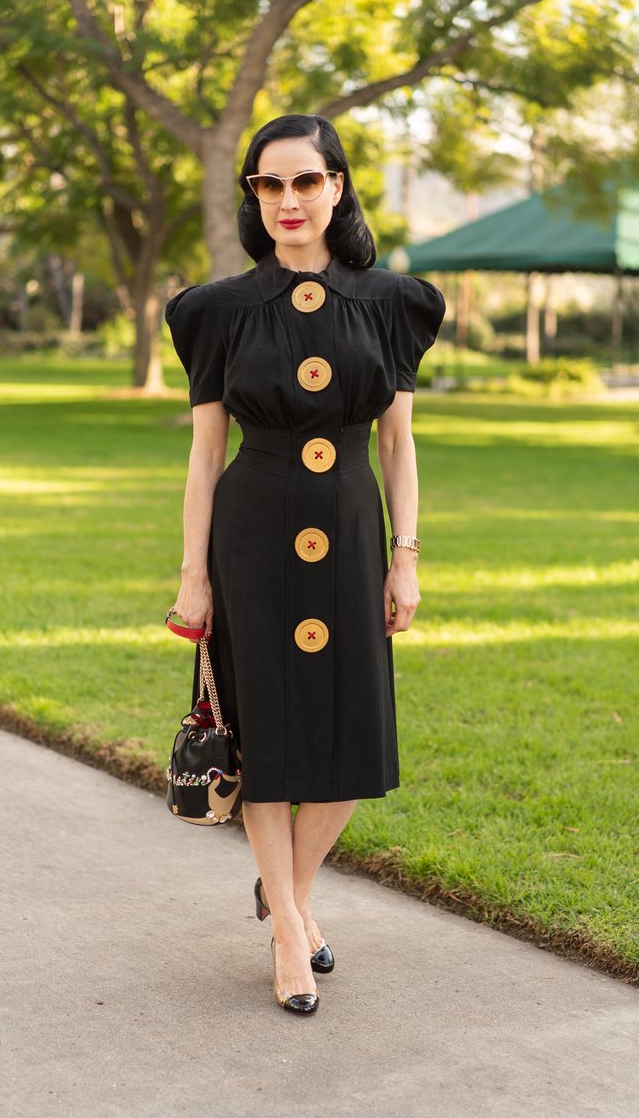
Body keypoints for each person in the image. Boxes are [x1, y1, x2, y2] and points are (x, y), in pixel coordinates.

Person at [165, 113, 445, 1015]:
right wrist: (193, 574)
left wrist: (406, 559)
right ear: (254, 196)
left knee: (352, 738)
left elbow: (398, 445)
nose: (288, 200)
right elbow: (205, 454)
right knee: (269, 730)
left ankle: (289, 891)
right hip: (251, 531)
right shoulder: (216, 311)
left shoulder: (393, 302)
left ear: (337, 187)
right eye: (268, 185)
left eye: (305, 181)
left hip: (353, 530)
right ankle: (290, 928)